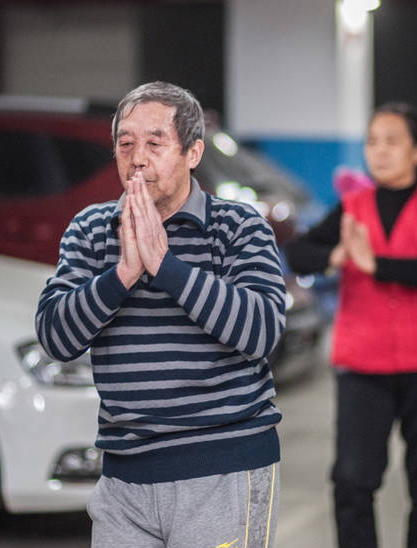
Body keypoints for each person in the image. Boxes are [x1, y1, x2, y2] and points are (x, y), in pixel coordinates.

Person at [36, 81, 285, 547]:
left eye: (155, 143)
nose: (137, 158)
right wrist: (122, 275)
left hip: (223, 469)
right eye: (125, 144)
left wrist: (166, 268)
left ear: (193, 153)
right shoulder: (91, 230)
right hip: (124, 480)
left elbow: (262, 331)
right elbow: (56, 336)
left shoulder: (238, 227)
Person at [286, 103, 417, 548]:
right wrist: (334, 256)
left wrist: (375, 264)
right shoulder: (351, 207)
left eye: (392, 141)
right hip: (363, 364)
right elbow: (299, 252)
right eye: (372, 141)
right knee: (352, 481)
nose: (380, 151)